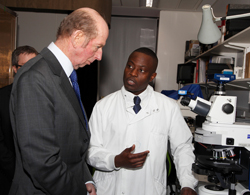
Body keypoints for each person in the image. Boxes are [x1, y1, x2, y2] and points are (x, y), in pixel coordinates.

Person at [9, 7, 109, 195]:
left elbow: (72, 144)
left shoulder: (64, 75)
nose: (99, 56)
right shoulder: (35, 78)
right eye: (98, 46)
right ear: (78, 37)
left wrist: (85, 177)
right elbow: (43, 163)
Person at [87, 47, 198, 195]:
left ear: (152, 76)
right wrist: (116, 160)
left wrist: (187, 183)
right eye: (130, 66)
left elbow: (182, 148)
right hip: (109, 189)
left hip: (149, 189)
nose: (132, 73)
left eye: (141, 70)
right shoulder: (103, 106)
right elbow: (90, 150)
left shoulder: (168, 107)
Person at [0, 45, 38, 195]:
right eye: (25, 66)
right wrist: (17, 171)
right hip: (7, 178)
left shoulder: (44, 97)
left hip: (39, 177)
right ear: (15, 68)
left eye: (35, 65)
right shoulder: (2, 98)